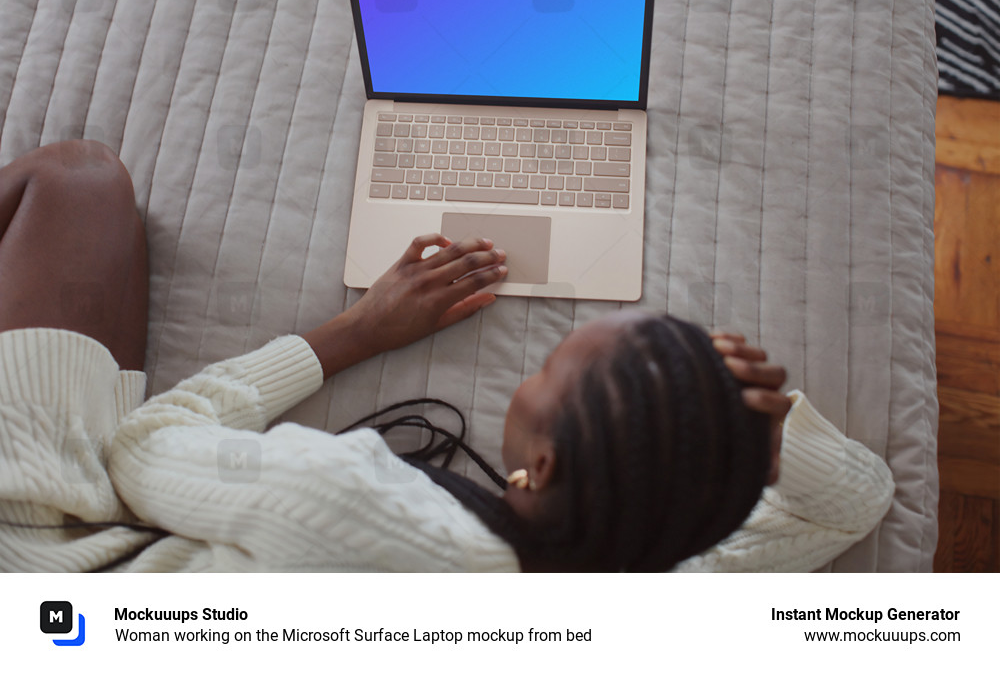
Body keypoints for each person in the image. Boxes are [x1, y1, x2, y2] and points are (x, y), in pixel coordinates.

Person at [0, 141, 894, 572]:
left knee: (79, 180)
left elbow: (144, 451)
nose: (531, 367)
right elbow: (853, 498)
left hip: (56, 563)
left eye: (547, 371)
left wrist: (355, 334)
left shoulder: (342, 498)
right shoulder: (650, 577)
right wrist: (745, 453)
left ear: (539, 467)